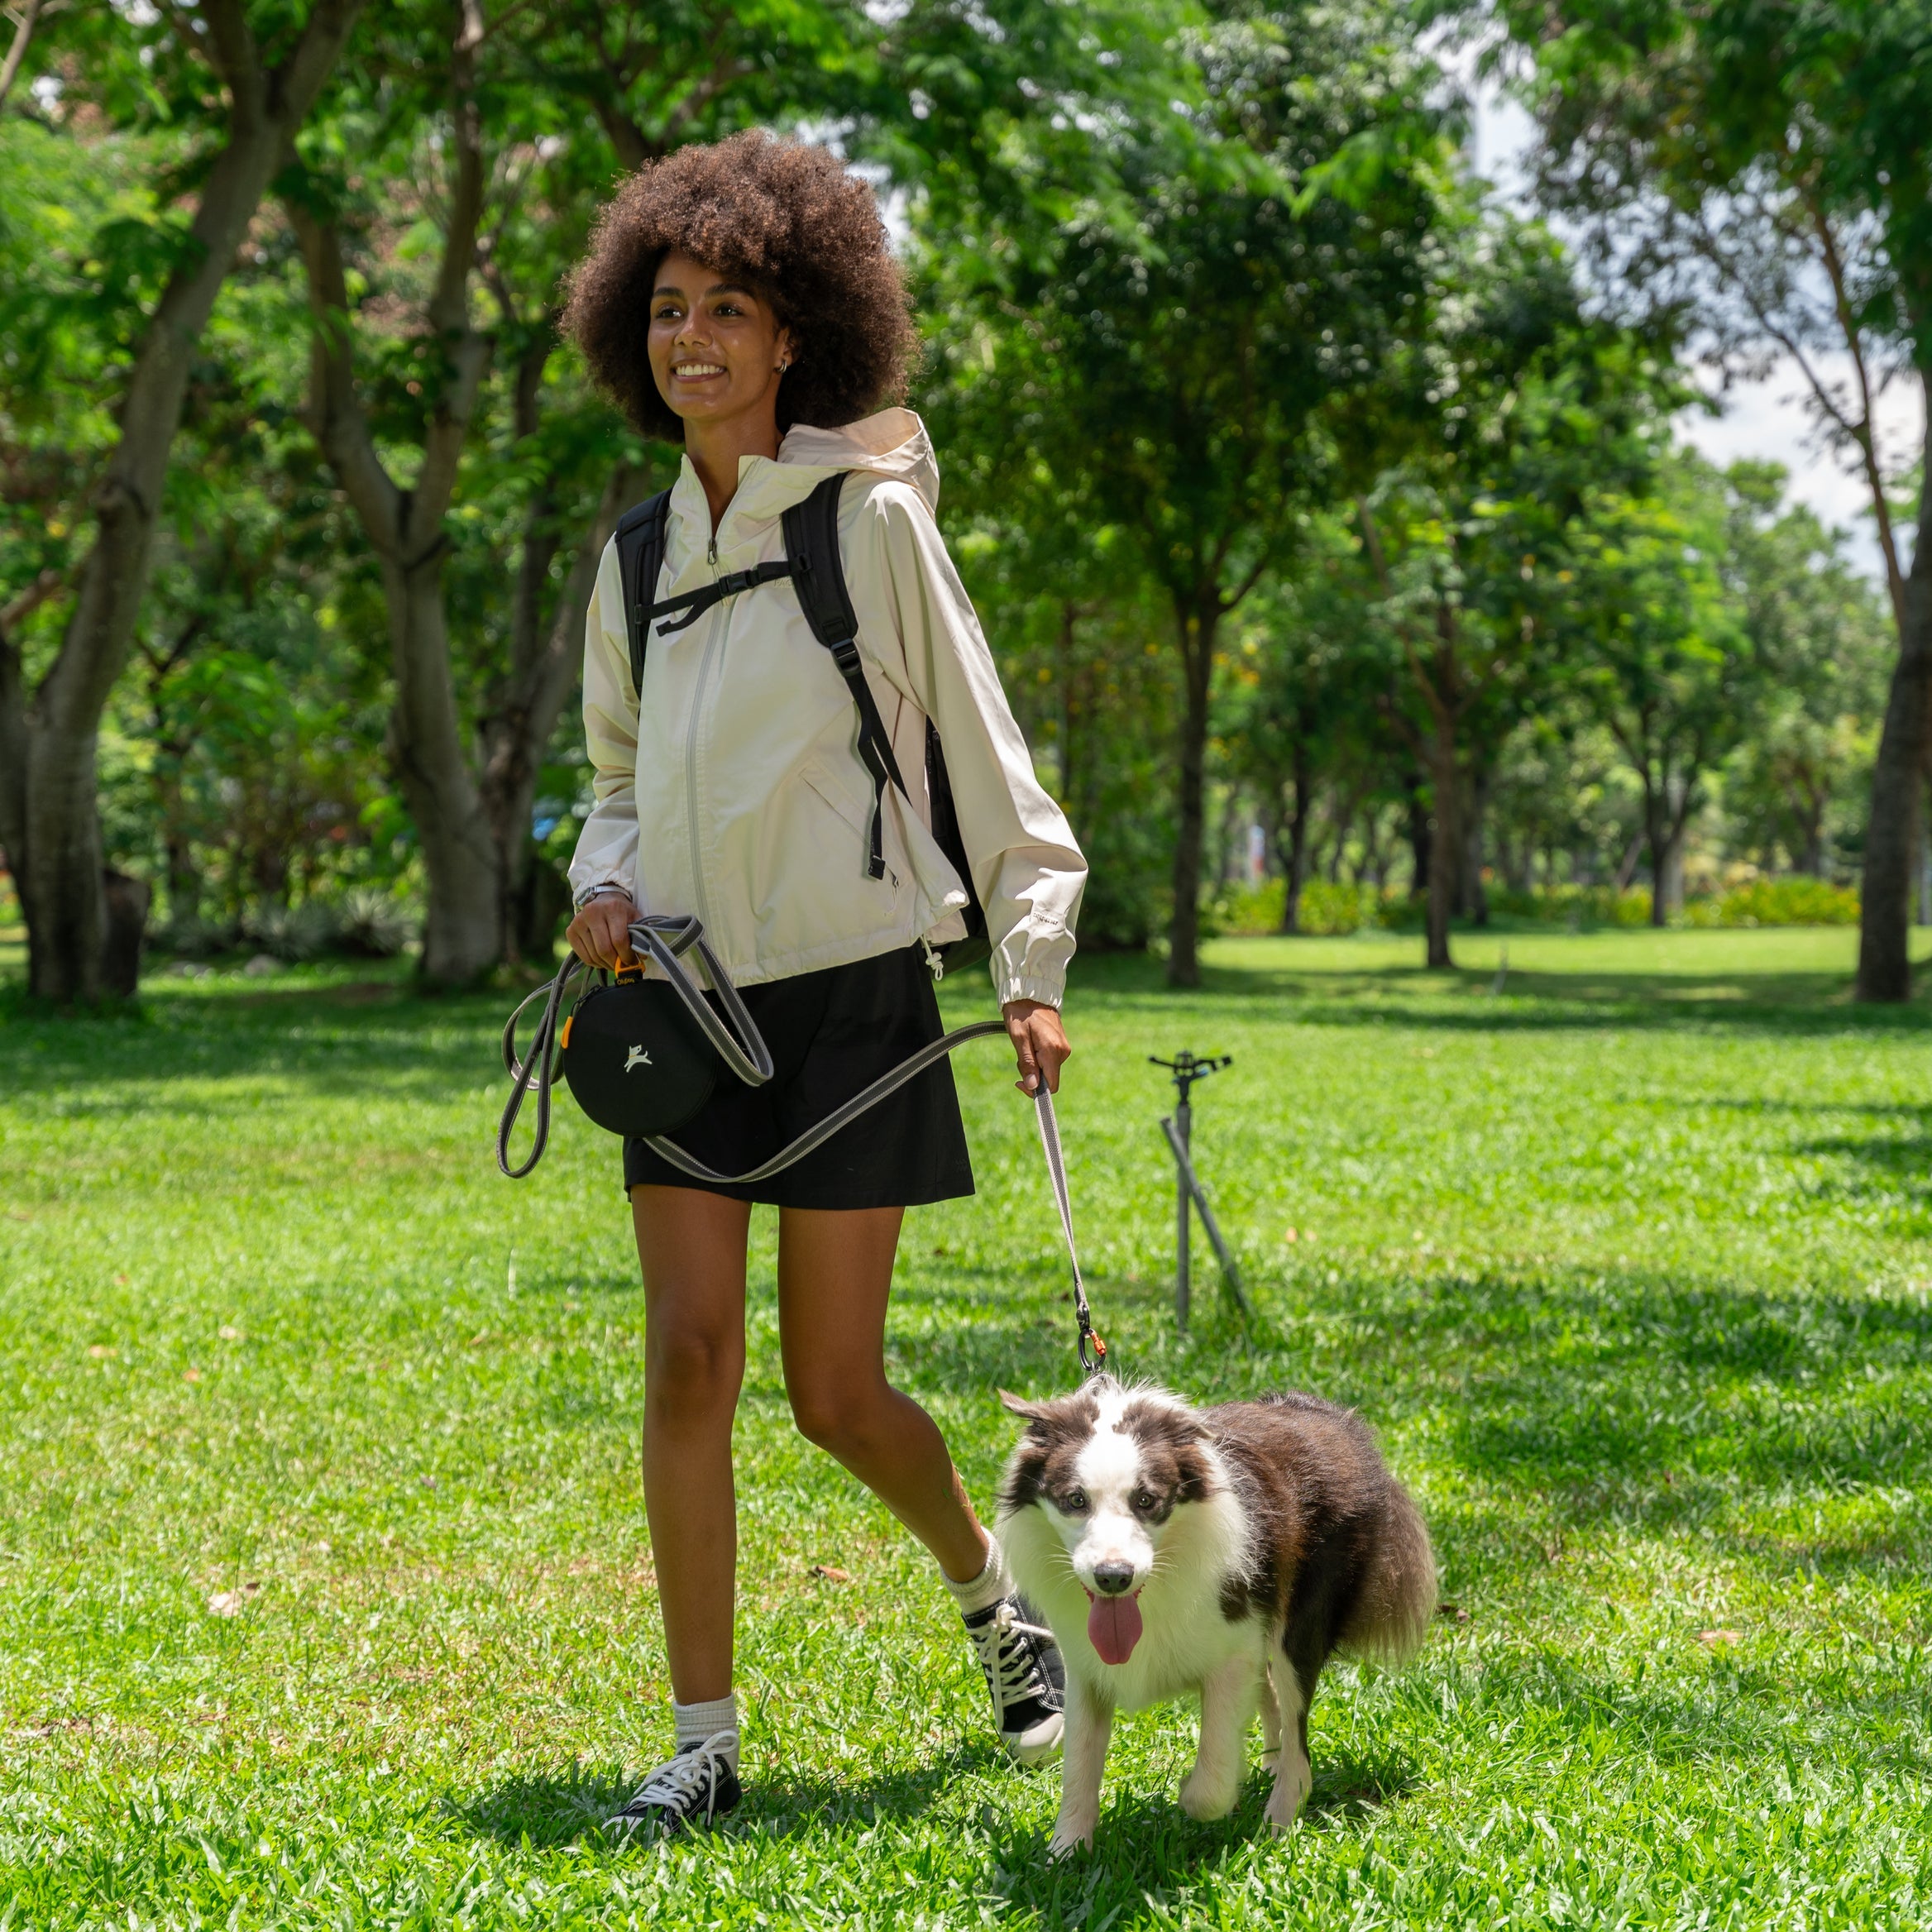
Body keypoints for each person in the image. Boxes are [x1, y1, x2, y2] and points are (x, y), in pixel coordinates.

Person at [559, 131, 1088, 1839]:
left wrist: (1030, 959)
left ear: (798, 338)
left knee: (835, 1391)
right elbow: (615, 778)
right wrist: (603, 886)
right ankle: (704, 1739)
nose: (689, 337)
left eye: (727, 308)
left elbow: (991, 762)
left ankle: (993, 1606)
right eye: (664, 308)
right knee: (686, 1361)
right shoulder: (635, 561)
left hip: (856, 998)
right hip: (688, 1014)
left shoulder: (865, 526)